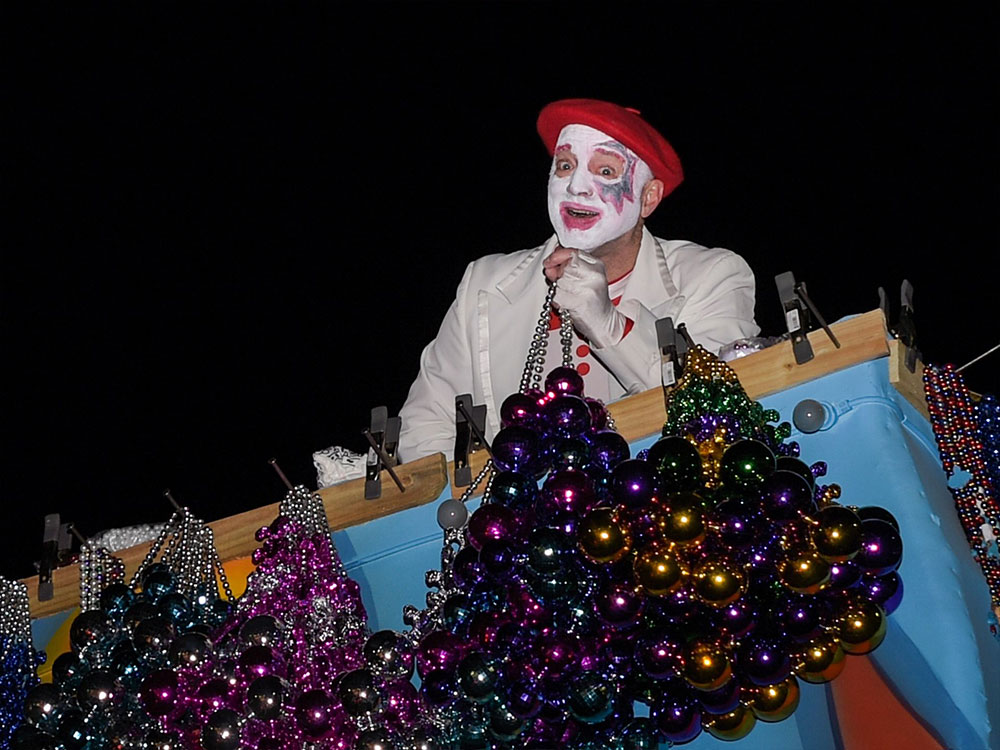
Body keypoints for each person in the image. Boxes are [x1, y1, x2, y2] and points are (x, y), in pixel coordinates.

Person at [397, 98, 759, 462]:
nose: (576, 188)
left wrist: (609, 326)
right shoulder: (485, 285)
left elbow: (719, 414)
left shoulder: (711, 277)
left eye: (605, 171)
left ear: (648, 198)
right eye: (565, 166)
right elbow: (426, 427)